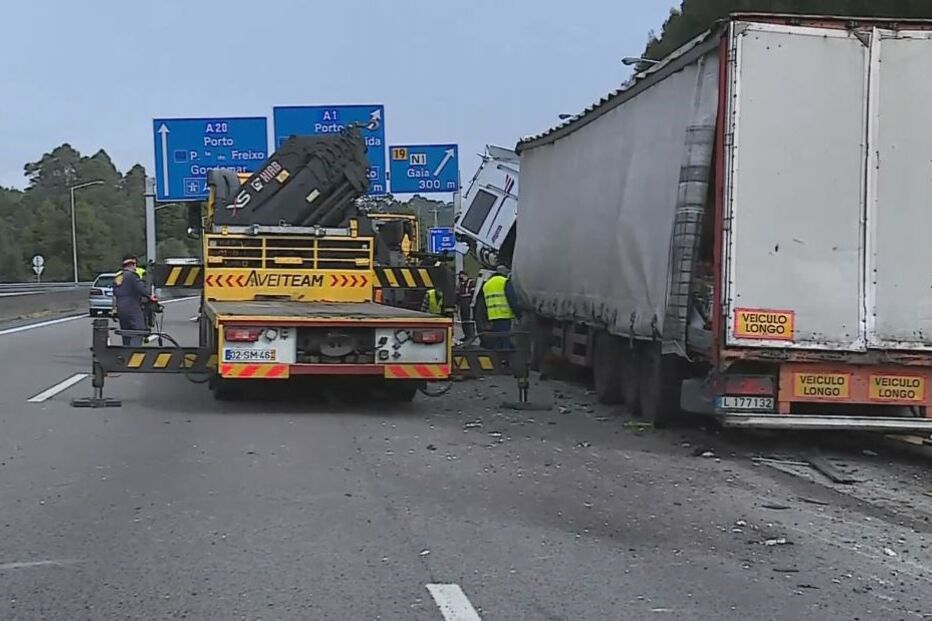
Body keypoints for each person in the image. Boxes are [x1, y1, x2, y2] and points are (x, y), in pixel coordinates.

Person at [112, 254, 153, 346]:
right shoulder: (132, 276)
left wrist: (114, 309)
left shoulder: (118, 277)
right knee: (138, 330)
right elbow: (142, 289)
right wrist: (151, 297)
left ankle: (126, 353)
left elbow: (114, 295)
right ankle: (134, 353)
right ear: (133, 264)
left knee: (126, 332)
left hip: (121, 308)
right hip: (132, 307)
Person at [482, 265, 520, 349]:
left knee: (497, 340)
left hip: (492, 317)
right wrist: (519, 315)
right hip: (504, 315)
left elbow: (483, 303)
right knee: (505, 340)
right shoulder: (504, 281)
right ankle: (505, 359)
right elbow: (512, 300)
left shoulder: (487, 284)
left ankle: (497, 360)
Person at [456, 270, 477, 340]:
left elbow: (473, 293)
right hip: (462, 303)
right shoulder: (460, 284)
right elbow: (458, 294)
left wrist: (472, 303)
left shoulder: (471, 282)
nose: (460, 278)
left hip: (468, 303)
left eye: (462, 276)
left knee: (469, 320)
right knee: (463, 320)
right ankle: (466, 335)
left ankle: (471, 336)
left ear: (465, 276)